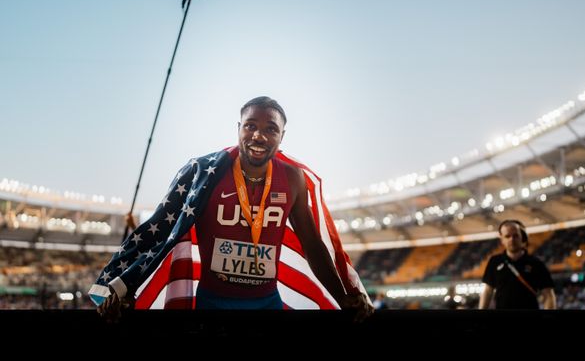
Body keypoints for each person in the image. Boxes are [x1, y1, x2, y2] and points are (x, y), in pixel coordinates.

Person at [90, 96, 373, 322]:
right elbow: (162, 233)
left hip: (267, 302)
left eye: (270, 129)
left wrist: (343, 295)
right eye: (250, 125)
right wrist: (124, 287)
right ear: (237, 128)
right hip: (212, 301)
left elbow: (312, 244)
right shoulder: (205, 175)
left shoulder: (292, 178)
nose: (259, 136)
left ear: (282, 136)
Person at [478, 219, 556, 309]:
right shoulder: (494, 261)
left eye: (516, 236)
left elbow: (548, 294)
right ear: (501, 239)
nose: (512, 239)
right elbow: (487, 291)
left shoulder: (536, 263)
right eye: (507, 236)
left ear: (522, 237)